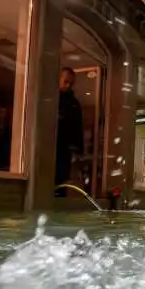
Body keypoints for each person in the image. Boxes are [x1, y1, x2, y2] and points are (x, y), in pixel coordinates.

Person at [55, 67, 84, 197]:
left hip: (63, 150)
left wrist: (77, 150)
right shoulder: (50, 98)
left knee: (61, 182)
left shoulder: (74, 104)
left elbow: (78, 127)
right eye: (66, 81)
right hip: (49, 147)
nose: (68, 85)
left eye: (70, 83)